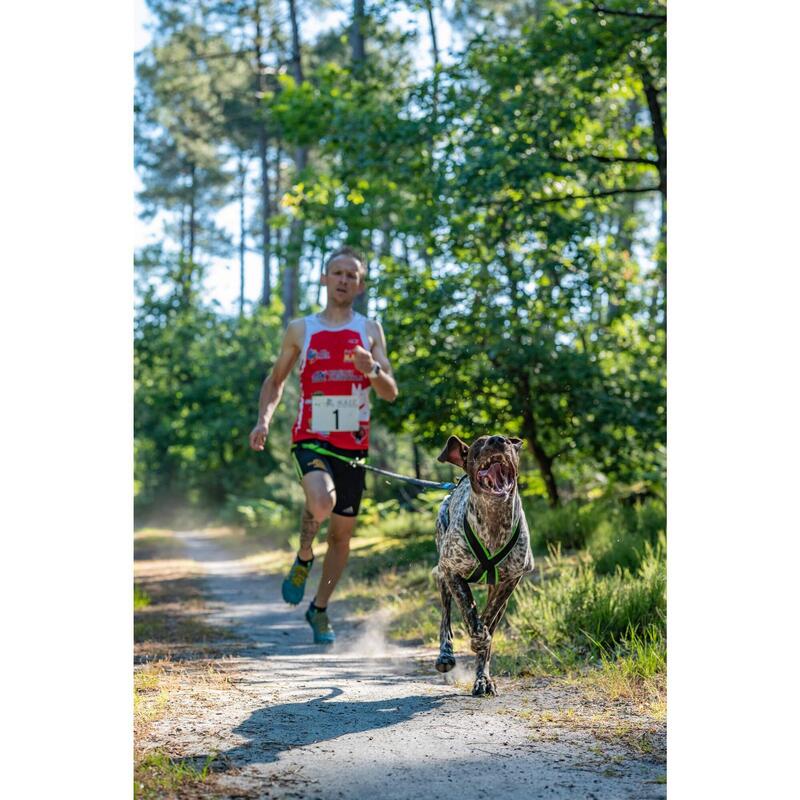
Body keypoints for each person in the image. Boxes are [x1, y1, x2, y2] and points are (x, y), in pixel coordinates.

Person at [248, 247, 399, 644]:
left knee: (341, 538)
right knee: (321, 501)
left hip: (353, 448)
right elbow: (276, 380)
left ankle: (319, 609)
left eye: (352, 274)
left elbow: (390, 392)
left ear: (360, 284)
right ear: (324, 279)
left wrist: (374, 369)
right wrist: (263, 419)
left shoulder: (371, 330)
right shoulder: (302, 329)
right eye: (337, 273)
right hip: (310, 438)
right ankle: (302, 556)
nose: (344, 279)